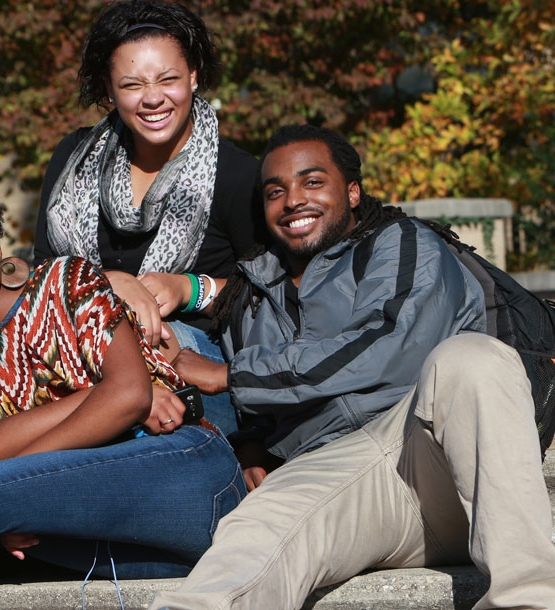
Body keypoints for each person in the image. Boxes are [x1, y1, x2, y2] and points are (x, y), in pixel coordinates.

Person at [148, 125, 555, 609]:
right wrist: (250, 441)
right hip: (336, 476)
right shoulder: (249, 299)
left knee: (472, 360)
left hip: (433, 456)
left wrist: (230, 377)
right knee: (252, 533)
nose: (293, 200)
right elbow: (264, 409)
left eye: (312, 181)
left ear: (353, 192)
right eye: (276, 192)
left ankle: (527, 600)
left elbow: (389, 346)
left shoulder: (402, 242)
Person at [0, 169, 245, 610]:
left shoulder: (65, 282)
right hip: (116, 542)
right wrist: (15, 486)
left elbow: (131, 396)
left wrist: (4, 488)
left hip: (185, 476)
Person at [36, 1, 269, 436]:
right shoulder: (73, 156)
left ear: (194, 75)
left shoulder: (238, 176)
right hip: (79, 353)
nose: (153, 98)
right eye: (131, 84)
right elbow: (40, 277)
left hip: (187, 363)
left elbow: (272, 299)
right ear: (109, 90)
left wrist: (188, 288)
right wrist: (101, 282)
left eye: (169, 79)